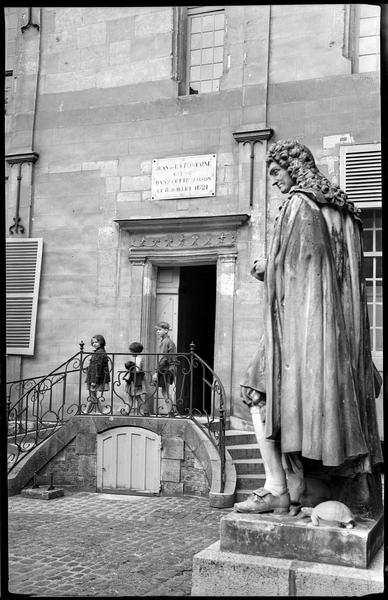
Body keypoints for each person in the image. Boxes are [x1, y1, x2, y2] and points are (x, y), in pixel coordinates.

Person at [234, 139, 383, 516]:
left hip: (304, 329)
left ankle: (276, 489)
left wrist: (267, 270)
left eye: (275, 172)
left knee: (256, 389)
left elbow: (304, 267)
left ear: (293, 167)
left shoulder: (301, 203)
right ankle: (313, 485)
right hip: (339, 336)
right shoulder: (343, 207)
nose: (272, 181)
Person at [152, 321, 177, 415]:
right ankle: (172, 411)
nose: (157, 332)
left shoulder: (165, 342)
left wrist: (156, 372)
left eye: (159, 330)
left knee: (164, 390)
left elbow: (162, 358)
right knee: (165, 389)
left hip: (166, 368)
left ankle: (171, 411)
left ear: (166, 331)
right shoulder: (168, 341)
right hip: (169, 368)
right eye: (157, 330)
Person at [84, 334, 110, 414]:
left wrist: (94, 381)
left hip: (95, 378)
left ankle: (88, 411)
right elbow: (95, 366)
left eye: (96, 342)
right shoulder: (99, 352)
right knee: (93, 395)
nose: (94, 344)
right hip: (94, 377)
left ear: (101, 342)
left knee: (92, 395)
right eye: (93, 342)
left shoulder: (99, 353)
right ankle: (100, 411)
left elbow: (98, 368)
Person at [123, 341, 147, 414]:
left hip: (136, 380)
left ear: (135, 351)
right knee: (133, 397)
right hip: (135, 380)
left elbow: (137, 369)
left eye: (131, 351)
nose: (130, 353)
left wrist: (130, 366)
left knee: (135, 397)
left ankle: (143, 411)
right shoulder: (138, 358)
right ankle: (128, 411)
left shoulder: (138, 358)